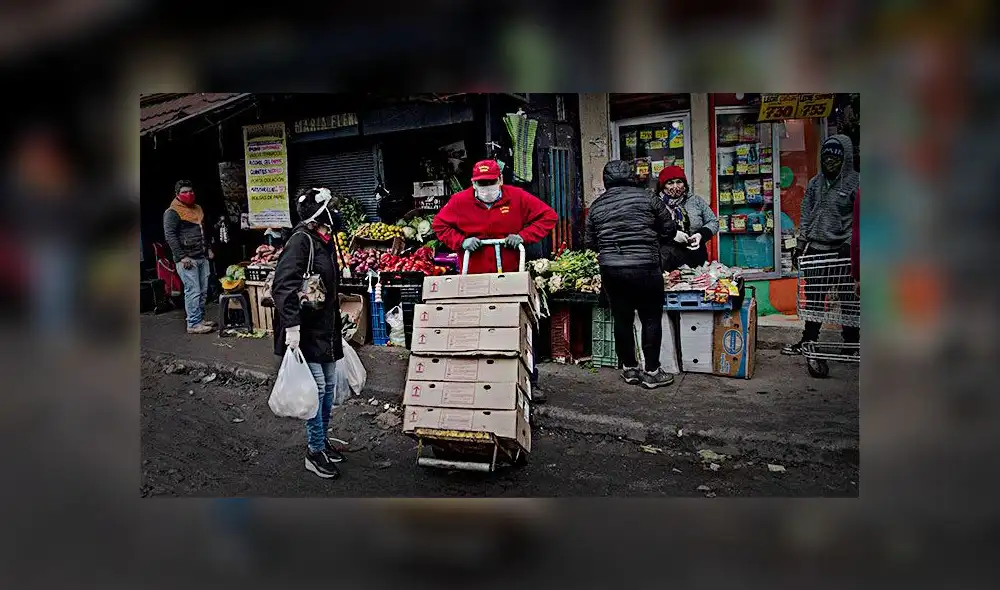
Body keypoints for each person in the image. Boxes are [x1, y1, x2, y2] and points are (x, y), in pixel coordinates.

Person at [432, 159, 558, 402]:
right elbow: (440, 225)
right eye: (481, 183)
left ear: (500, 180)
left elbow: (548, 217)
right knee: (478, 330)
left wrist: (523, 236)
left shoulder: (518, 197)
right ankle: (483, 379)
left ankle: (529, 380)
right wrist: (461, 241)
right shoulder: (460, 202)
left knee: (520, 328)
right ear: (473, 183)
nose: (487, 187)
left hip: (510, 277)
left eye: (491, 182)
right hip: (474, 278)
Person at [586, 160, 683, 388]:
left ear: (606, 179)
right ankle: (651, 372)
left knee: (622, 318)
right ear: (632, 177)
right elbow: (669, 229)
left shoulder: (597, 206)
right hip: (646, 267)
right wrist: (652, 239)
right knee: (650, 317)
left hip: (611, 270)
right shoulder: (649, 198)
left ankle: (629, 369)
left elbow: (589, 243)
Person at [271, 187, 346, 479]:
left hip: (325, 329)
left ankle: (321, 441)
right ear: (319, 213)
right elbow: (283, 286)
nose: (335, 212)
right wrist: (291, 328)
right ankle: (314, 452)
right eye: (330, 207)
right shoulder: (301, 242)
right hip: (305, 331)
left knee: (327, 387)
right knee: (318, 389)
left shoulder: (323, 240)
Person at [783, 134, 860, 356]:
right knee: (814, 299)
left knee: (848, 300)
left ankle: (851, 344)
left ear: (845, 159)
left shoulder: (857, 182)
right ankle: (809, 340)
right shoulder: (816, 182)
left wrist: (849, 243)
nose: (829, 162)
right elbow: (806, 214)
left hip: (843, 252)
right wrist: (800, 243)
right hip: (818, 250)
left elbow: (863, 218)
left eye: (835, 158)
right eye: (826, 157)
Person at [162, 180, 215, 334]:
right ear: (177, 194)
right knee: (193, 291)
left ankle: (200, 319)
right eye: (185, 192)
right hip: (187, 259)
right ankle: (193, 323)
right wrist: (181, 256)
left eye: (191, 191)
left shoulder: (197, 209)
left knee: (203, 291)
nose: (189, 194)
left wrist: (209, 249)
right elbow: (170, 236)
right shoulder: (172, 212)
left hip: (201, 255)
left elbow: (204, 230)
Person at [655, 165, 719, 270]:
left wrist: (700, 235)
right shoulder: (655, 203)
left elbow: (713, 222)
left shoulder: (695, 200)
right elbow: (649, 228)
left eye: (679, 182)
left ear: (684, 184)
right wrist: (672, 235)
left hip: (695, 258)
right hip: (666, 260)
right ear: (663, 186)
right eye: (670, 183)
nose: (675, 186)